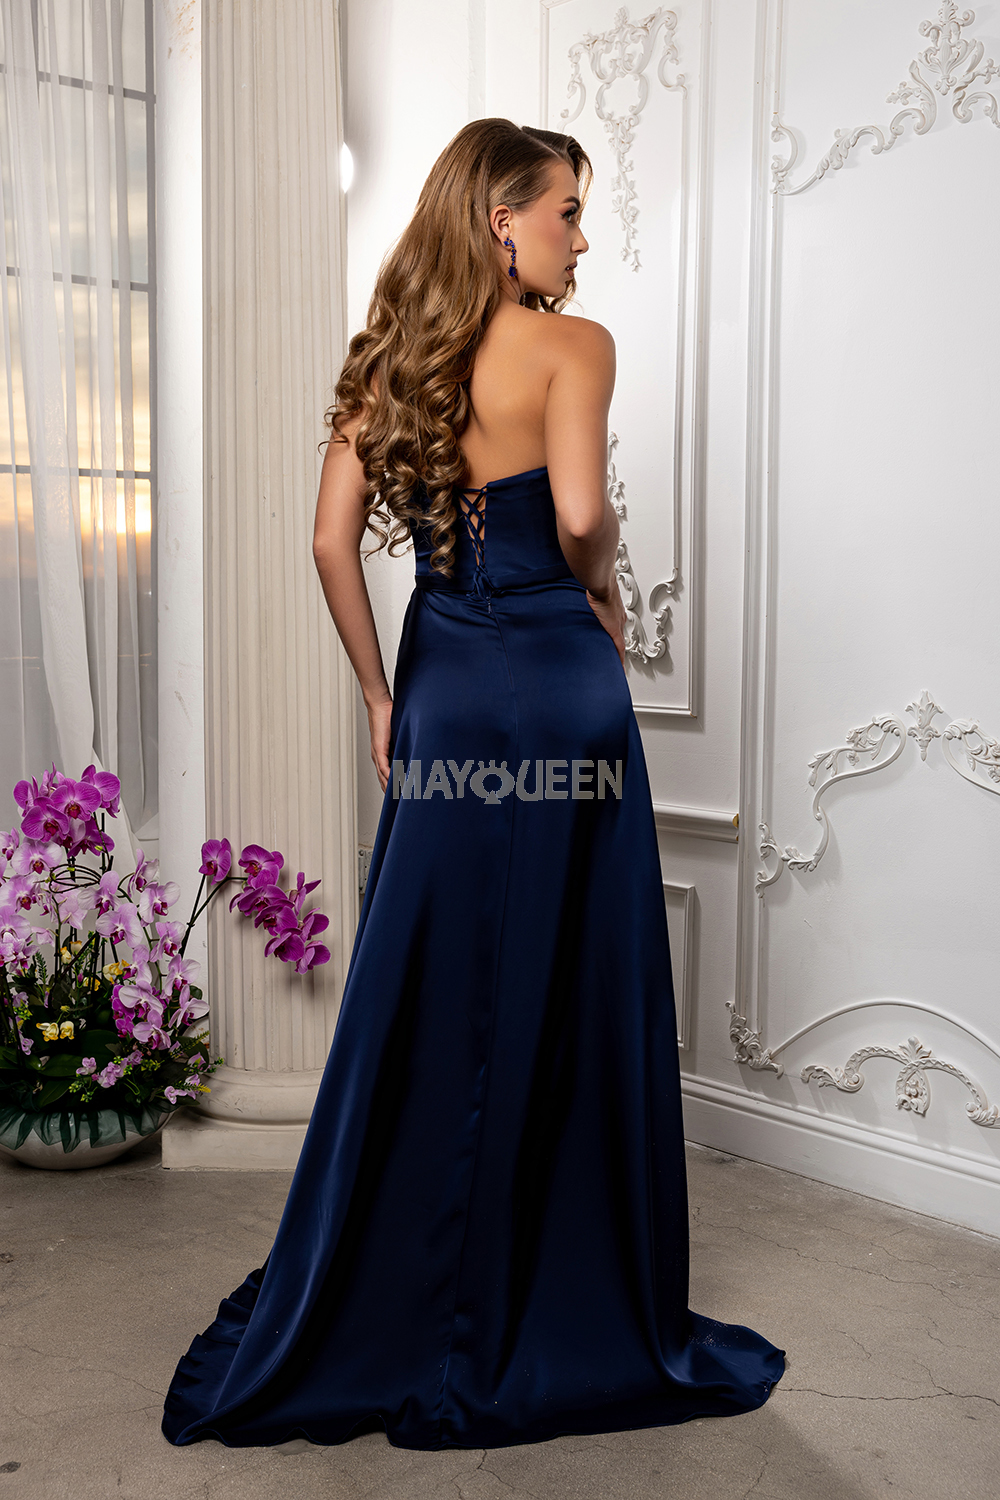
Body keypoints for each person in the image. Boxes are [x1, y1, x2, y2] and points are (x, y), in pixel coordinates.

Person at [161, 118, 785, 1452]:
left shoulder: (392, 354)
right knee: (571, 978)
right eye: (566, 212)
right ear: (503, 221)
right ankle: (564, 1291)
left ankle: (394, 1288)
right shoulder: (576, 346)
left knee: (433, 977)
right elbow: (579, 517)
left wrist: (380, 696)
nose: (581, 238)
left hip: (445, 683)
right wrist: (602, 586)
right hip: (562, 683)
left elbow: (328, 541)